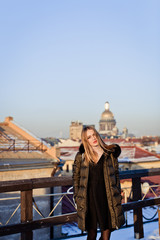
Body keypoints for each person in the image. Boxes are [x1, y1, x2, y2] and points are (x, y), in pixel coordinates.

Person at [72, 126, 125, 240]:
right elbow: (76, 178)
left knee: (106, 231)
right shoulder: (81, 156)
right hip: (89, 199)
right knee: (91, 234)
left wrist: (117, 194)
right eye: (89, 137)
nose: (93, 138)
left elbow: (116, 175)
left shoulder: (110, 154)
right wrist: (77, 197)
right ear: (86, 141)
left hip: (107, 197)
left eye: (94, 134)